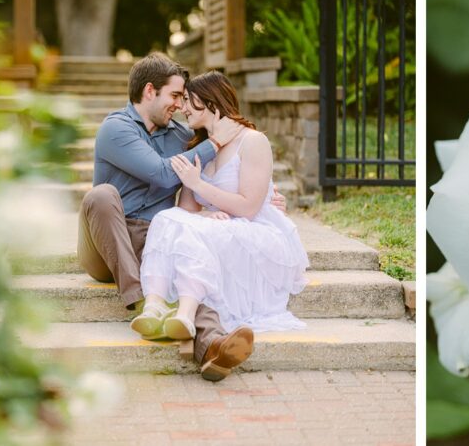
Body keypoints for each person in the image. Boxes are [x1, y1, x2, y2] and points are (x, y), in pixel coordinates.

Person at [78, 53, 287, 381]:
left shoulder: (178, 135)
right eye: (175, 96)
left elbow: (217, 175)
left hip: (153, 235)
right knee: (102, 195)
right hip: (107, 242)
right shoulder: (115, 128)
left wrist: (265, 199)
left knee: (183, 258)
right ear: (150, 91)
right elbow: (163, 174)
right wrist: (217, 142)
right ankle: (141, 303)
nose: (180, 105)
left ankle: (213, 347)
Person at [131, 71, 310, 381]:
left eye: (189, 101)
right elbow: (186, 211)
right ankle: (156, 306)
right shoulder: (200, 146)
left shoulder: (252, 141)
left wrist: (199, 184)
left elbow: (249, 207)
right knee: (166, 218)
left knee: (181, 225)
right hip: (221, 230)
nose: (184, 108)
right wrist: (204, 214)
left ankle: (185, 313)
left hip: (255, 234)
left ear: (210, 103)